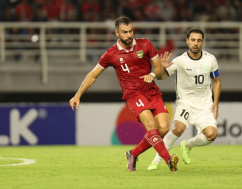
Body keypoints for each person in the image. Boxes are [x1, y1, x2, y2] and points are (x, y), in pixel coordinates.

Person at [69, 16, 179, 172]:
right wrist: (77, 94)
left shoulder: (145, 44)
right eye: (125, 32)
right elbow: (93, 75)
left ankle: (132, 154)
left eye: (131, 31)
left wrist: (153, 75)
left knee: (163, 128)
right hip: (133, 94)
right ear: (116, 33)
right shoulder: (110, 54)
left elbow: (158, 68)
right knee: (151, 126)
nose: (129, 35)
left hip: (151, 91)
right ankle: (169, 160)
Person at [147, 28, 221, 170]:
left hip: (204, 105)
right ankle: (156, 160)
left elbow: (216, 80)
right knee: (177, 128)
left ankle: (187, 145)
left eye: (199, 40)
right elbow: (162, 77)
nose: (195, 43)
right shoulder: (180, 61)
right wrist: (161, 68)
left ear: (202, 42)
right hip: (185, 103)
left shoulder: (210, 59)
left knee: (212, 135)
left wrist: (215, 102)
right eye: (192, 40)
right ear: (187, 41)